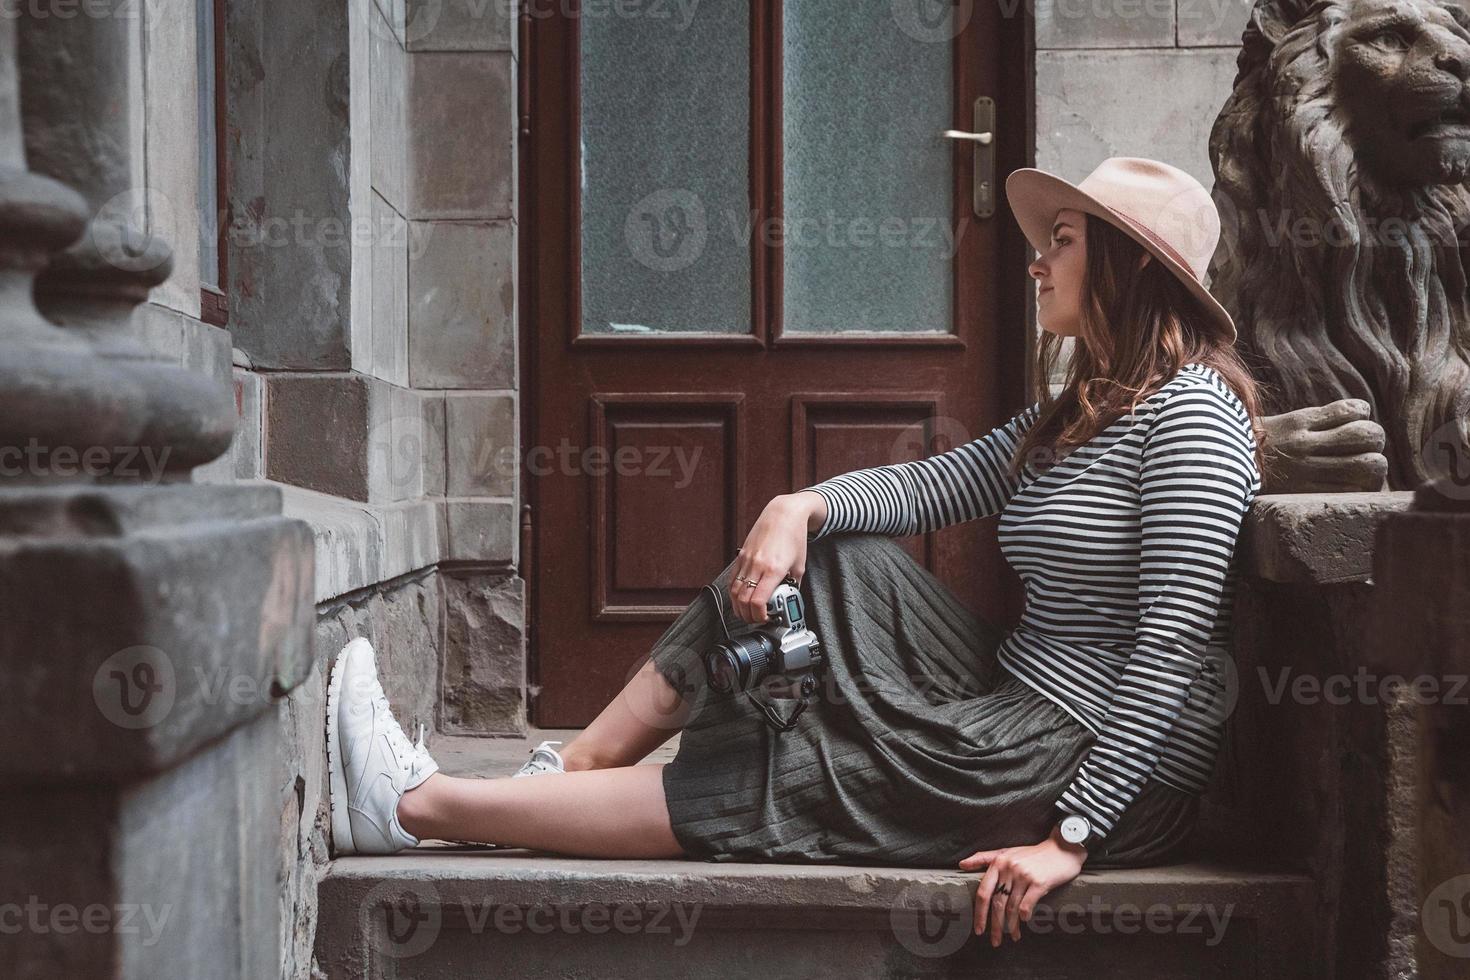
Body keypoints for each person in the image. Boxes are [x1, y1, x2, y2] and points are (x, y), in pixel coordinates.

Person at [325, 157, 1270, 947]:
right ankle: (572, 772)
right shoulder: (1081, 413)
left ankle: (416, 808)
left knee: (808, 773)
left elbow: (1171, 647)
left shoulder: (1193, 415)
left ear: (1129, 264)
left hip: (1093, 764)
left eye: (1062, 240)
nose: (1037, 262)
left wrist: (1071, 834)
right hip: (1015, 692)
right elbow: (933, 484)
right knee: (829, 558)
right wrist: (800, 505)